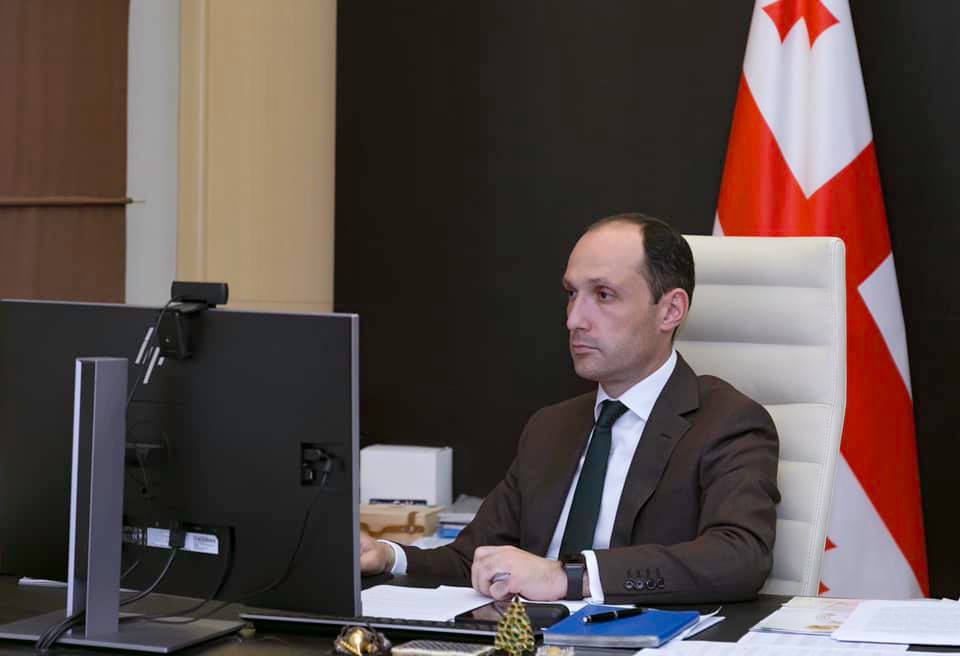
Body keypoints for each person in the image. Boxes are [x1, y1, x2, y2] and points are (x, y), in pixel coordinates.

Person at [360, 213, 780, 604]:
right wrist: (387, 555)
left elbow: (739, 556)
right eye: (571, 294)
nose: (574, 319)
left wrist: (572, 577)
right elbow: (474, 557)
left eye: (603, 295)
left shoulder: (726, 421)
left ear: (670, 310)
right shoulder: (551, 426)